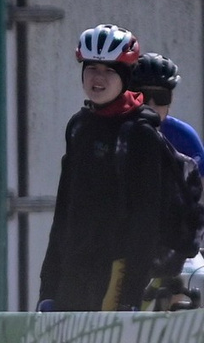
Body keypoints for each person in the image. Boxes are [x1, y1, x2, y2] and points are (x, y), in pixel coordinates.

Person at [39, 25, 203, 312]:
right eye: (91, 68)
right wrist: (48, 289)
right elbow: (65, 213)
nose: (98, 78)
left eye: (110, 70)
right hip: (75, 273)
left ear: (126, 77)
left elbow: (145, 222)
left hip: (120, 276)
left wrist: (129, 299)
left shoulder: (141, 134)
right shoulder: (78, 126)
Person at [134, 52, 204, 165]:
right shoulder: (110, 130)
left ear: (171, 99)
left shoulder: (184, 137)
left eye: (161, 97)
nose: (151, 105)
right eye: (143, 96)